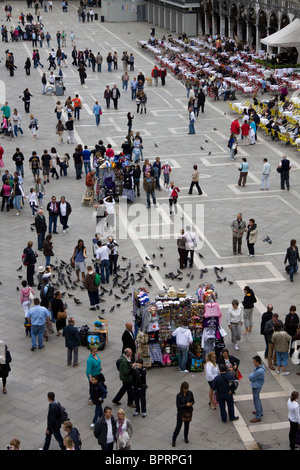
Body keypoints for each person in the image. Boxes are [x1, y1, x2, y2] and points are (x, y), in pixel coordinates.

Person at [171, 381, 194, 447]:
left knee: (187, 426)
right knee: (178, 426)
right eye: (185, 389)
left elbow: (193, 401)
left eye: (187, 388)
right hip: (181, 413)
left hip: (188, 412)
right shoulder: (179, 395)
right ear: (182, 388)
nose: (186, 390)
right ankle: (174, 439)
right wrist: (186, 405)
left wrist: (191, 403)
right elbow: (178, 406)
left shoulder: (190, 393)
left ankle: (186, 437)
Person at [249, 355, 265, 423]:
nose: (253, 363)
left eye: (254, 362)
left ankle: (258, 416)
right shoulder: (260, 368)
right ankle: (260, 411)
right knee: (257, 399)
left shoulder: (259, 371)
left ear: (257, 362)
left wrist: (252, 373)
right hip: (258, 385)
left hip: (256, 386)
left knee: (256, 401)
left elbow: (250, 377)